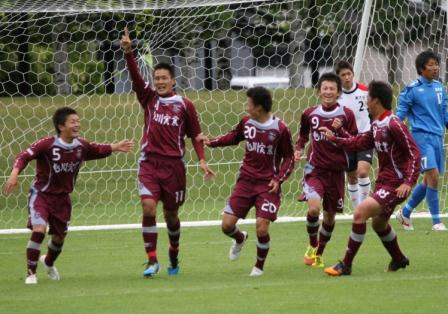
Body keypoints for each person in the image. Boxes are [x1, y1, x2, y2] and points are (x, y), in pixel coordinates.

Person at [121, 28, 215, 277]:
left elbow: (196, 135)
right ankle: (152, 260)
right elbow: (135, 78)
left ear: (173, 80)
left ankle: (173, 252)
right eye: (157, 78)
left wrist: (203, 160)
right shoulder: (149, 99)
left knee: (171, 215)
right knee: (149, 207)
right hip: (149, 163)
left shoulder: (185, 105)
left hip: (174, 167)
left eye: (164, 78)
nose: (159, 82)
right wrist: (129, 52)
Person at [3, 107, 134, 284]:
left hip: (62, 199)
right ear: (61, 126)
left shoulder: (81, 146)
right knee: (39, 230)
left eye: (78, 121)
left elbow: (98, 149)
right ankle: (31, 273)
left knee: (59, 238)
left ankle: (48, 262)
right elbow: (23, 156)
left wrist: (116, 147)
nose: (77, 124)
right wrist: (14, 174)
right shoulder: (47, 144)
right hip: (41, 195)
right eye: (73, 121)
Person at [321, 81, 420, 276]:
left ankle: (346, 264)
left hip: (396, 184)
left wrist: (408, 182)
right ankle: (399, 259)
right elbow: (359, 141)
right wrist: (335, 138)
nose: (365, 101)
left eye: (368, 98)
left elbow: (414, 153)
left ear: (374, 100)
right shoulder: (376, 124)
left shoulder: (394, 123)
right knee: (378, 224)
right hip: (384, 182)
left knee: (360, 213)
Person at [199, 86, 294, 276]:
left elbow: (289, 158)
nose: (246, 106)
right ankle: (240, 238)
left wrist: (278, 179)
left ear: (258, 107)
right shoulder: (247, 123)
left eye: (249, 103)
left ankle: (258, 267)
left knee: (261, 226)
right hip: (245, 181)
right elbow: (234, 137)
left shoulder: (280, 129)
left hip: (267, 185)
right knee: (226, 225)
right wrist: (212, 142)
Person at [295, 72, 357, 268]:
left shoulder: (346, 114)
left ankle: (319, 252)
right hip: (315, 170)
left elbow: (354, 141)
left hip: (336, 173)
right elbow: (303, 135)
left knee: (329, 216)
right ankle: (312, 245)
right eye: (325, 88)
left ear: (339, 92)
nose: (328, 92)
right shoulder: (309, 113)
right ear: (319, 91)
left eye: (332, 89)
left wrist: (339, 131)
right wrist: (298, 148)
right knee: (313, 208)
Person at [395, 50, 448, 231]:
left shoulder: (440, 88)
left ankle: (406, 212)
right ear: (421, 68)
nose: (435, 68)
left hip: (437, 138)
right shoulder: (412, 90)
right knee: (432, 175)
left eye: (436, 64)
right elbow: (399, 116)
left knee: (428, 180)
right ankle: (436, 222)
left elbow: (445, 115)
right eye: (431, 64)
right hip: (420, 137)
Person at [335, 61, 372, 209]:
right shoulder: (337, 96)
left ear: (353, 74)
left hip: (365, 137)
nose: (347, 77)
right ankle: (357, 210)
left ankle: (364, 207)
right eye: (343, 75)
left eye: (349, 74)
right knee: (351, 177)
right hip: (347, 140)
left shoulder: (366, 90)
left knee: (362, 172)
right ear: (338, 77)